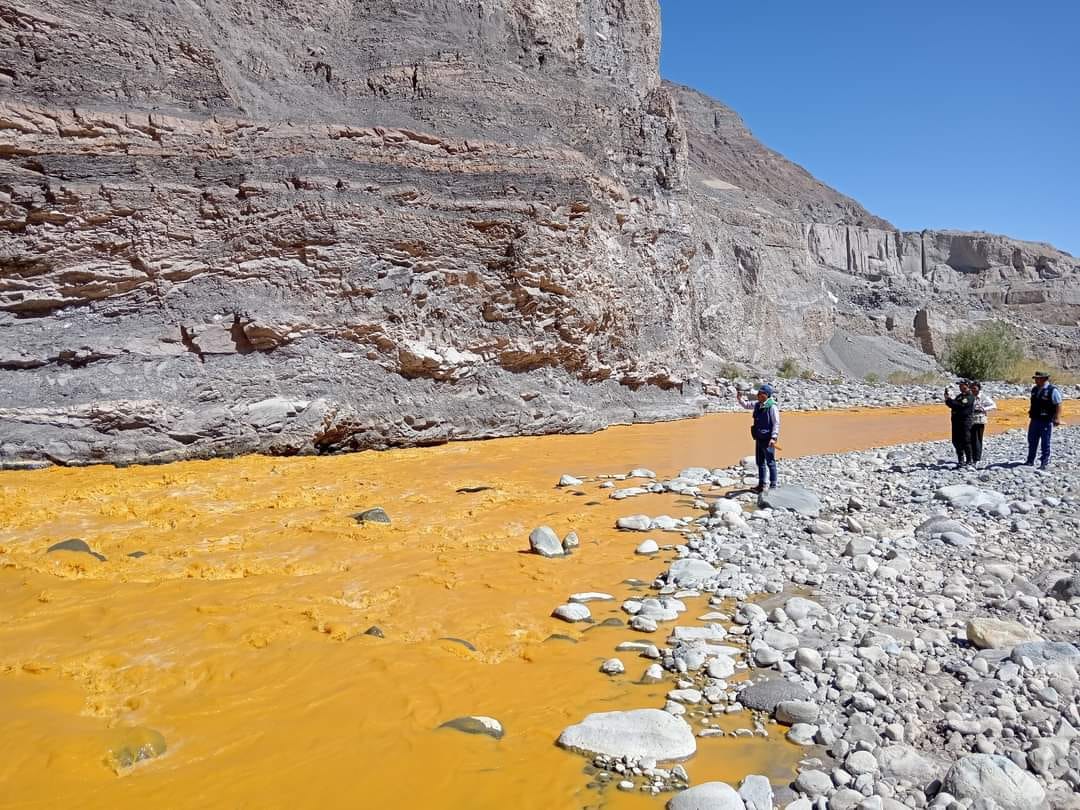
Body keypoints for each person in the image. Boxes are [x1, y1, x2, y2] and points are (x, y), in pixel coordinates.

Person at [736, 383, 780, 493]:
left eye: (761, 393)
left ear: (767, 395)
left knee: (770, 462)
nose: (758, 395)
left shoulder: (772, 407)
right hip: (759, 438)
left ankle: (773, 486)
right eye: (758, 393)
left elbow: (776, 423)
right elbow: (746, 405)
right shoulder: (757, 404)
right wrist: (739, 398)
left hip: (768, 439)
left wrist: (773, 437)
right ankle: (761, 485)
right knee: (760, 462)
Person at [1026, 371, 1063, 469]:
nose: (1035, 380)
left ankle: (1044, 462)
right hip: (1034, 419)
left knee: (1045, 442)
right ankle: (1030, 461)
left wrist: (1057, 418)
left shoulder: (1052, 390)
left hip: (1046, 420)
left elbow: (1058, 404)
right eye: (1035, 378)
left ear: (1044, 379)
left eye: (1037, 378)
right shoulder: (1034, 389)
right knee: (1032, 440)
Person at [944, 380, 975, 468]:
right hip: (956, 421)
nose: (961, 388)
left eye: (963, 386)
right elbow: (953, 404)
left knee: (966, 441)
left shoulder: (970, 396)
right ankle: (960, 460)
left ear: (968, 386)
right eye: (960, 387)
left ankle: (969, 460)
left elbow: (960, 405)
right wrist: (947, 399)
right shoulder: (960, 396)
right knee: (956, 441)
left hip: (965, 422)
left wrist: (950, 400)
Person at [969, 381, 996, 466]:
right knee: (970, 438)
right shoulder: (970, 396)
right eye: (972, 388)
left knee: (978, 438)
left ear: (978, 388)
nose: (973, 390)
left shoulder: (983, 397)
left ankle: (977, 458)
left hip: (980, 420)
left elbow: (994, 406)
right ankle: (971, 457)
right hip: (970, 419)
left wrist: (983, 408)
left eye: (975, 388)